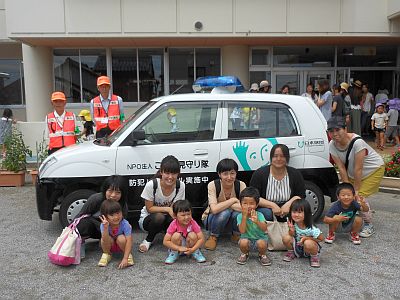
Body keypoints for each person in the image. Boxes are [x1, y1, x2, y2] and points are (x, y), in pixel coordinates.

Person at [328, 116, 384, 238]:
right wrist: (347, 188)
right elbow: (341, 168)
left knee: (359, 197)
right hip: (354, 172)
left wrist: (355, 191)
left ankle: (369, 224)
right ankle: (361, 214)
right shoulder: (332, 145)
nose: (335, 134)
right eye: (331, 131)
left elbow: (359, 168)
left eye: (338, 130)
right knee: (348, 196)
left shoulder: (357, 142)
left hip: (373, 170)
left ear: (345, 128)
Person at [138, 155, 185, 253]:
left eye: (173, 173)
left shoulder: (180, 186)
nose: (170, 177)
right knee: (159, 217)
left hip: (168, 218)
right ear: (161, 172)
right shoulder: (152, 185)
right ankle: (148, 240)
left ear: (178, 174)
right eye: (167, 173)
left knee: (178, 217)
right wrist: (167, 209)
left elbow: (176, 208)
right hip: (149, 219)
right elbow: (149, 208)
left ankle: (172, 241)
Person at [76, 175, 129, 258]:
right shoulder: (96, 199)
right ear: (105, 190)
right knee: (83, 222)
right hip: (95, 227)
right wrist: (69, 233)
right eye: (110, 191)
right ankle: (79, 244)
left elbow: (122, 224)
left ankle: (106, 243)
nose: (113, 195)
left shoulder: (122, 205)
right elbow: (80, 216)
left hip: (110, 231)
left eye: (118, 192)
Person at [250, 143, 306, 221]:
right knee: (267, 213)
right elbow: (253, 196)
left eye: (282, 156)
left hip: (287, 207)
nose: (278, 159)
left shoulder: (295, 173)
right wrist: (272, 205)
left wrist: (288, 205)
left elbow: (301, 195)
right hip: (266, 208)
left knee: (298, 210)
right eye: (275, 156)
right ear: (271, 158)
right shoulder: (259, 174)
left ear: (287, 158)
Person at [202, 158, 246, 251]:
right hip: (211, 219)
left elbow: (245, 208)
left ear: (236, 173)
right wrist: (233, 200)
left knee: (237, 214)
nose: (229, 177)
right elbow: (214, 210)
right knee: (224, 213)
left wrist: (223, 205)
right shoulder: (213, 185)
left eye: (232, 173)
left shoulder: (241, 185)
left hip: (230, 219)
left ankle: (236, 234)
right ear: (219, 174)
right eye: (225, 174)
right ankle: (213, 236)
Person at [282, 198, 323, 268]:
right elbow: (292, 235)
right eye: (294, 212)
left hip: (309, 248)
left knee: (308, 242)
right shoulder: (293, 224)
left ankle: (314, 257)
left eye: (300, 212)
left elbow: (321, 239)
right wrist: (291, 230)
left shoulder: (312, 228)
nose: (296, 215)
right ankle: (291, 252)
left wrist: (307, 238)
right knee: (286, 237)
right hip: (297, 246)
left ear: (306, 213)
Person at [163, 200, 206, 264]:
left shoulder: (192, 222)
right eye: (183, 215)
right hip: (178, 245)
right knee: (176, 235)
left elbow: (201, 238)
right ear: (175, 215)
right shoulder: (174, 224)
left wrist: (193, 249)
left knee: (193, 235)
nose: (186, 217)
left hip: (190, 246)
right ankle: (174, 253)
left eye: (188, 214)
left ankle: (196, 252)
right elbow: (165, 241)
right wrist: (178, 248)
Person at [236, 187, 270, 266]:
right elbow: (242, 231)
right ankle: (245, 254)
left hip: (260, 239)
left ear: (257, 204)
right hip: (247, 239)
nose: (248, 206)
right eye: (245, 203)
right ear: (241, 204)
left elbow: (265, 229)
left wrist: (257, 221)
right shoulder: (239, 216)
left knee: (261, 243)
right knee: (243, 242)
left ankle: (262, 255)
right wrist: (244, 217)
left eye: (251, 203)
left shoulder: (260, 215)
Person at [98, 200, 134, 268]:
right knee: (103, 239)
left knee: (121, 238)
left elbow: (129, 240)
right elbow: (105, 240)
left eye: (118, 213)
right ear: (105, 216)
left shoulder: (125, 223)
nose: (116, 217)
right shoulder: (103, 225)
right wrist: (105, 228)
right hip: (110, 244)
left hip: (122, 244)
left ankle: (127, 255)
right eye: (111, 215)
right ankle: (107, 254)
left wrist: (125, 258)